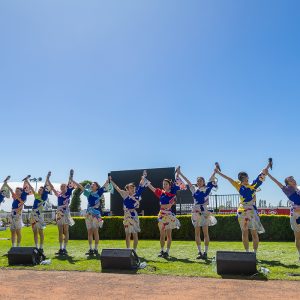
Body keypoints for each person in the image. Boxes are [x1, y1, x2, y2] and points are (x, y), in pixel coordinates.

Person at [215, 161, 271, 253]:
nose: (245, 179)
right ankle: (247, 253)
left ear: (248, 177)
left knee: (254, 232)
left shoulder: (253, 185)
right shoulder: (239, 185)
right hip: (242, 211)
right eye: (243, 178)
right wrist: (218, 172)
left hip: (252, 211)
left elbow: (262, 174)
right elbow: (228, 178)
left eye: (245, 177)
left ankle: (254, 253)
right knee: (244, 232)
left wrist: (268, 165)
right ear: (240, 179)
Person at [177, 166, 217, 259]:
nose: (199, 182)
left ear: (203, 182)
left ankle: (206, 253)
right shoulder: (194, 190)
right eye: (198, 180)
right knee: (197, 233)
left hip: (204, 212)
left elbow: (211, 180)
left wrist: (215, 172)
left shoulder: (207, 189)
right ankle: (199, 252)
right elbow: (188, 181)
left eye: (200, 180)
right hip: (195, 212)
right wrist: (180, 173)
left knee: (206, 233)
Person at [146, 168, 183, 258]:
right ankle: (162, 250)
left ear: (169, 185)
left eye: (166, 184)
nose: (164, 185)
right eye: (163, 184)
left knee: (169, 235)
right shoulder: (161, 193)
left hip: (169, 215)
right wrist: (146, 181)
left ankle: (167, 251)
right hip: (161, 215)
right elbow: (153, 188)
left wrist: (178, 174)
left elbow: (179, 183)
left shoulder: (173, 192)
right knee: (162, 234)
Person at [110, 171, 147, 252]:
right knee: (127, 234)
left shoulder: (137, 194)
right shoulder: (124, 194)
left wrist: (144, 176)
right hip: (126, 215)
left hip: (134, 215)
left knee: (135, 233)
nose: (133, 188)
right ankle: (127, 250)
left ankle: (134, 251)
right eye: (130, 187)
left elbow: (141, 184)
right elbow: (116, 188)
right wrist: (110, 181)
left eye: (133, 187)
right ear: (127, 189)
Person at [267, 172, 300, 260]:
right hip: (296, 215)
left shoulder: (299, 188)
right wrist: (269, 174)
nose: (293, 181)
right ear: (287, 184)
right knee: (297, 236)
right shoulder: (287, 190)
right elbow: (277, 182)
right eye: (290, 180)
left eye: (293, 179)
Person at [76, 179, 109, 255]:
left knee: (95, 231)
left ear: (97, 187)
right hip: (88, 214)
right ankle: (91, 249)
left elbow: (105, 185)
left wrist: (108, 181)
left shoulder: (99, 192)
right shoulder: (88, 193)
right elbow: (81, 187)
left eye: (93, 184)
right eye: (91, 184)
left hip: (96, 215)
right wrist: (73, 180)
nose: (91, 185)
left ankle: (96, 249)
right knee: (89, 232)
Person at [48, 170, 77, 255]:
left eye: (64, 187)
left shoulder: (69, 192)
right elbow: (52, 187)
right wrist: (48, 178)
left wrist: (71, 175)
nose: (62, 188)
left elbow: (70, 182)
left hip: (66, 212)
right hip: (59, 213)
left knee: (66, 230)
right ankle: (60, 248)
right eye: (61, 187)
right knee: (60, 231)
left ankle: (65, 248)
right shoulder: (59, 194)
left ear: (66, 187)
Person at [28, 172, 52, 253]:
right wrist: (27, 181)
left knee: (40, 231)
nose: (39, 190)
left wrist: (47, 177)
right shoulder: (36, 196)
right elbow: (31, 188)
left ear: (43, 191)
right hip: (33, 215)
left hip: (39, 215)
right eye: (39, 189)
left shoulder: (44, 197)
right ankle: (36, 246)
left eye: (41, 190)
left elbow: (45, 185)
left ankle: (41, 247)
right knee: (34, 232)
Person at [5, 176, 31, 247]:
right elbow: (11, 190)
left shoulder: (22, 197)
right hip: (12, 214)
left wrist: (26, 181)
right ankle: (13, 246)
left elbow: (22, 201)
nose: (16, 192)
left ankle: (18, 246)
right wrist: (6, 184)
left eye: (17, 191)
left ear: (21, 192)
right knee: (12, 231)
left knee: (18, 231)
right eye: (16, 191)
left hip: (18, 214)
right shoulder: (15, 196)